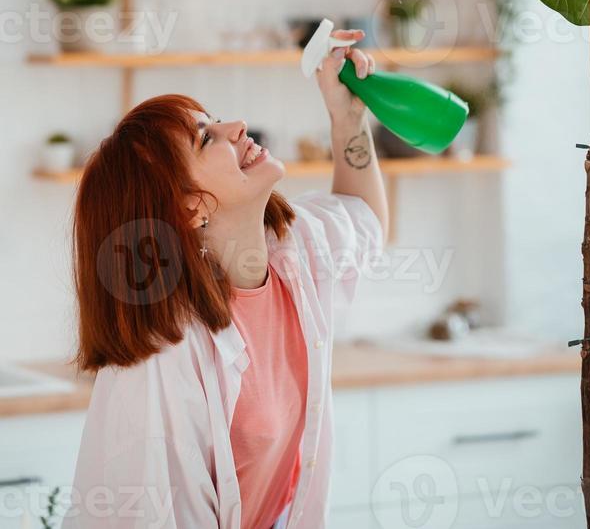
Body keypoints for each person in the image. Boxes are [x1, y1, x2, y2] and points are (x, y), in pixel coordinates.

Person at [60, 27, 388, 529]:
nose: (236, 125)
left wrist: (346, 115)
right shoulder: (164, 355)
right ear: (189, 206)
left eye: (213, 121)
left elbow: (363, 218)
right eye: (205, 138)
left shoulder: (292, 251)